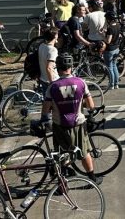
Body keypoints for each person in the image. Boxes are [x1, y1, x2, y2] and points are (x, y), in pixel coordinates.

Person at [40, 53, 101, 184]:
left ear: (58, 68)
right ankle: (92, 179)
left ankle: (61, 183)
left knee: (61, 153)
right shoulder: (80, 82)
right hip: (78, 124)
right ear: (71, 67)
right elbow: (91, 105)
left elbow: (46, 109)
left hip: (59, 125)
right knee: (84, 152)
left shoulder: (53, 87)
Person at [103, 10, 121, 90]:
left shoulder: (110, 28)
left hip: (109, 50)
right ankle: (116, 84)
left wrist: (102, 35)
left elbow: (108, 41)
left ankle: (111, 84)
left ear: (108, 19)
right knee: (114, 66)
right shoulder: (117, 25)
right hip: (116, 48)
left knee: (109, 67)